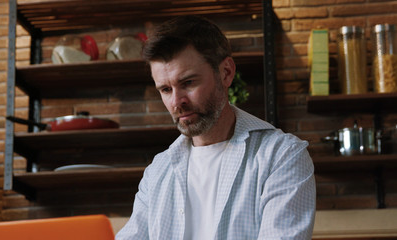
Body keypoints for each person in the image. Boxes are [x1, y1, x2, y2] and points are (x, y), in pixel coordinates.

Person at [116, 15, 316, 240]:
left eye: (188, 83)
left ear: (226, 73)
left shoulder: (282, 156)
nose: (176, 102)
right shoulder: (158, 171)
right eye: (165, 89)